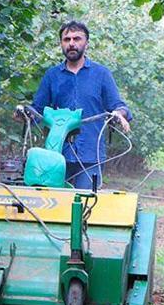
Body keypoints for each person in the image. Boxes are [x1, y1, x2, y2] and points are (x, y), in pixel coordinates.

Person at [26, 20, 132, 189]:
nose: (72, 43)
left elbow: (119, 106)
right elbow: (36, 109)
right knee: (53, 203)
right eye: (67, 39)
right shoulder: (52, 75)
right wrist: (24, 113)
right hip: (56, 153)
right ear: (61, 43)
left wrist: (119, 114)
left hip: (90, 151)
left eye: (77, 39)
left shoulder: (101, 74)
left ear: (86, 43)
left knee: (86, 204)